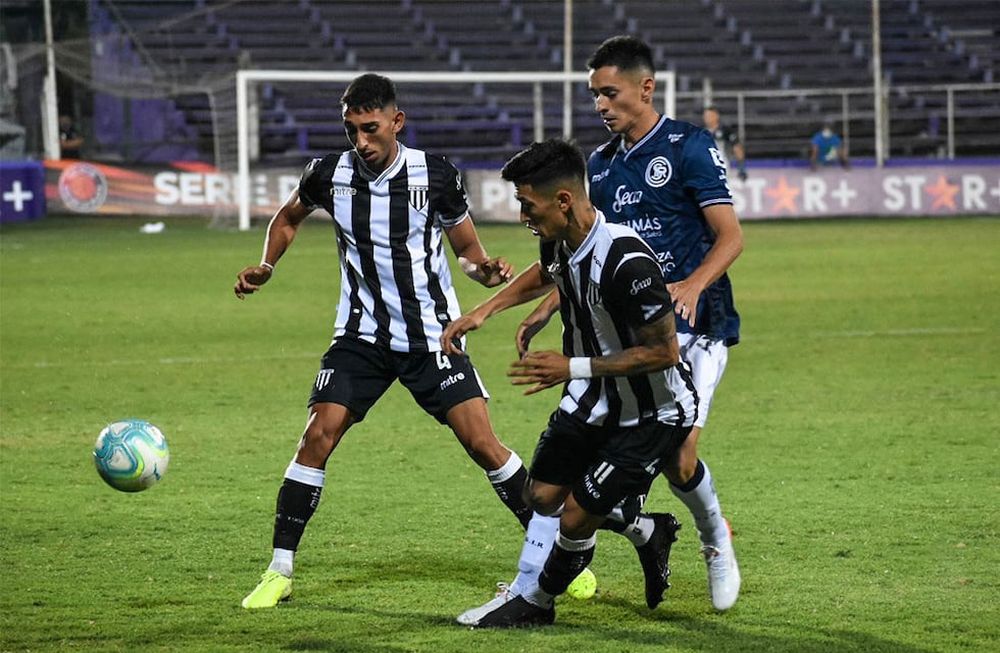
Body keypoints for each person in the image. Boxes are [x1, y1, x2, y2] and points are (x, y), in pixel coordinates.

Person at [233, 73, 534, 609]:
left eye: (370, 129)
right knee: (316, 436)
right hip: (360, 335)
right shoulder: (328, 173)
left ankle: (552, 553)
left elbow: (466, 249)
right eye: (352, 130)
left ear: (397, 121)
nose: (361, 142)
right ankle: (279, 569)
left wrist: (485, 271)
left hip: (430, 335)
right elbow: (288, 217)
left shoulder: (435, 175)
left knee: (484, 445)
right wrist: (265, 264)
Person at [511, 35, 744, 612]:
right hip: (627, 332)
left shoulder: (688, 146)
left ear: (646, 87)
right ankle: (644, 532)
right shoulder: (600, 165)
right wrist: (549, 303)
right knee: (596, 473)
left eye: (609, 93)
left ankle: (716, 540)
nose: (600, 106)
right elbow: (589, 253)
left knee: (678, 458)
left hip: (694, 325)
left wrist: (691, 284)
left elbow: (730, 235)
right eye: (594, 96)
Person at [441, 138, 698, 627]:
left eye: (527, 204)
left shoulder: (628, 261)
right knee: (540, 496)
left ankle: (534, 600)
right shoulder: (559, 239)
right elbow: (548, 272)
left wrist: (571, 366)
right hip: (592, 397)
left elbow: (665, 353)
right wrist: (486, 312)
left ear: (563, 201)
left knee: (577, 516)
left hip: (651, 412)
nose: (523, 216)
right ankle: (647, 529)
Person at [702, 105, 747, 181]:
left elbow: (737, 147)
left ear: (716, 116)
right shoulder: (700, 132)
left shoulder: (725, 130)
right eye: (705, 116)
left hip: (721, 166)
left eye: (709, 116)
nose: (706, 118)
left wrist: (741, 167)